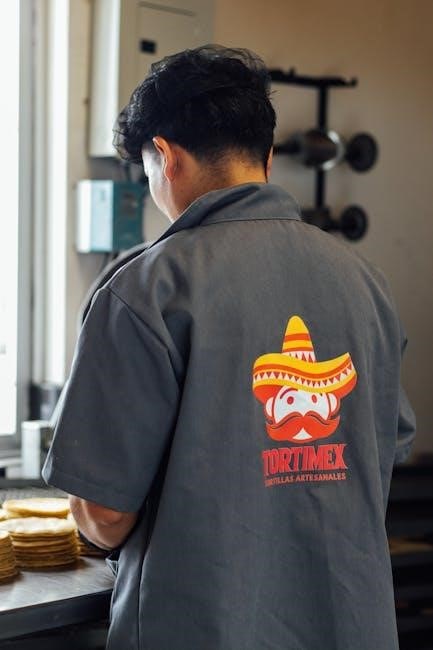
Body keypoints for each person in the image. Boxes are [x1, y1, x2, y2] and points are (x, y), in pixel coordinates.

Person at [43, 45, 415, 650]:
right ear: (267, 158)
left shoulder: (147, 288)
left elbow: (104, 513)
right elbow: (380, 454)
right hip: (350, 627)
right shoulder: (365, 282)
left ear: (165, 156)